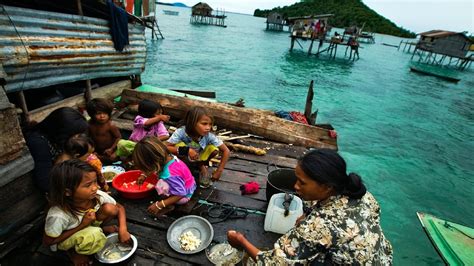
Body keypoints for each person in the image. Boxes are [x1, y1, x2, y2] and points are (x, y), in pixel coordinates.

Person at [227, 149, 393, 265]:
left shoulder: (317, 227)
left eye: (302, 182)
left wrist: (241, 242)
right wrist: (308, 214)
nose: (295, 186)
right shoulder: (363, 195)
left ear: (327, 187)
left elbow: (271, 263)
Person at [43, 160, 131, 266]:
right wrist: (83, 224)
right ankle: (74, 252)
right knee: (93, 235)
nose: (96, 187)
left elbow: (119, 207)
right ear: (68, 192)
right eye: (88, 185)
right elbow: (49, 242)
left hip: (89, 224)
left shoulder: (97, 196)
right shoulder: (58, 215)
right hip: (67, 238)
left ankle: (101, 229)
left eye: (95, 181)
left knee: (110, 208)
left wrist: (123, 229)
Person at [24, 107, 88, 192]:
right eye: (75, 135)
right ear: (63, 132)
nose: (76, 138)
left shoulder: (55, 136)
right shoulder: (39, 142)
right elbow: (45, 183)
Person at [132, 136, 196, 217]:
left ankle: (169, 205)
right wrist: (144, 175)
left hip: (184, 195)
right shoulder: (168, 157)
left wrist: (160, 204)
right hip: (187, 183)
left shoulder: (169, 175)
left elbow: (181, 193)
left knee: (160, 186)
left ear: (154, 162)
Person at [166, 106, 230, 181]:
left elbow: (226, 151)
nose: (208, 128)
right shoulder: (181, 132)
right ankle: (183, 166)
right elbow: (165, 147)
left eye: (210, 124)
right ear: (192, 123)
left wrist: (219, 171)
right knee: (178, 145)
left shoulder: (209, 135)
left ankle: (201, 165)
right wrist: (187, 150)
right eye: (204, 124)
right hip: (184, 155)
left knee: (214, 150)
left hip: (198, 155)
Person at [87, 98, 121, 163]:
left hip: (109, 150)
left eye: (105, 113)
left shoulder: (110, 125)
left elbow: (118, 137)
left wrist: (112, 149)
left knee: (112, 159)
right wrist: (91, 150)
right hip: (96, 150)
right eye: (98, 114)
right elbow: (87, 138)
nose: (102, 116)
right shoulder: (89, 125)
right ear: (91, 114)